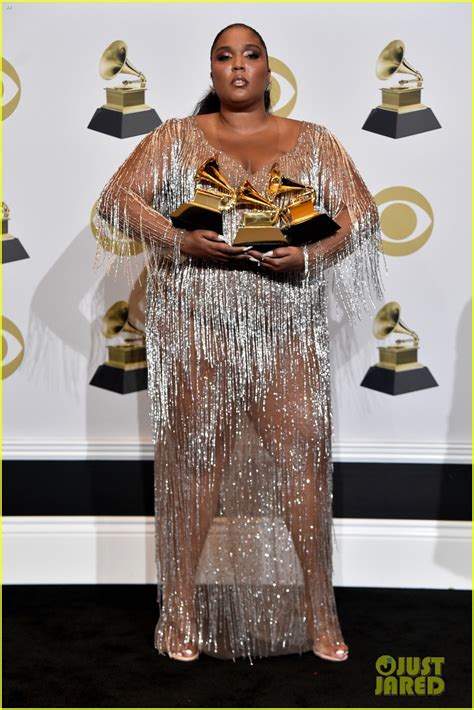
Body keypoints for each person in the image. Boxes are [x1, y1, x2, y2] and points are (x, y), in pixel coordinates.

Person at [95, 22, 385, 664]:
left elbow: (360, 215)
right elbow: (116, 202)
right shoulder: (175, 138)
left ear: (266, 68)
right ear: (212, 70)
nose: (237, 66)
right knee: (194, 466)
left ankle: (319, 612)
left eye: (249, 55)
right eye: (224, 56)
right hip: (199, 326)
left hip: (286, 327)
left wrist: (310, 255)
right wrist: (179, 239)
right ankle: (181, 611)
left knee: (304, 467)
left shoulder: (313, 141)